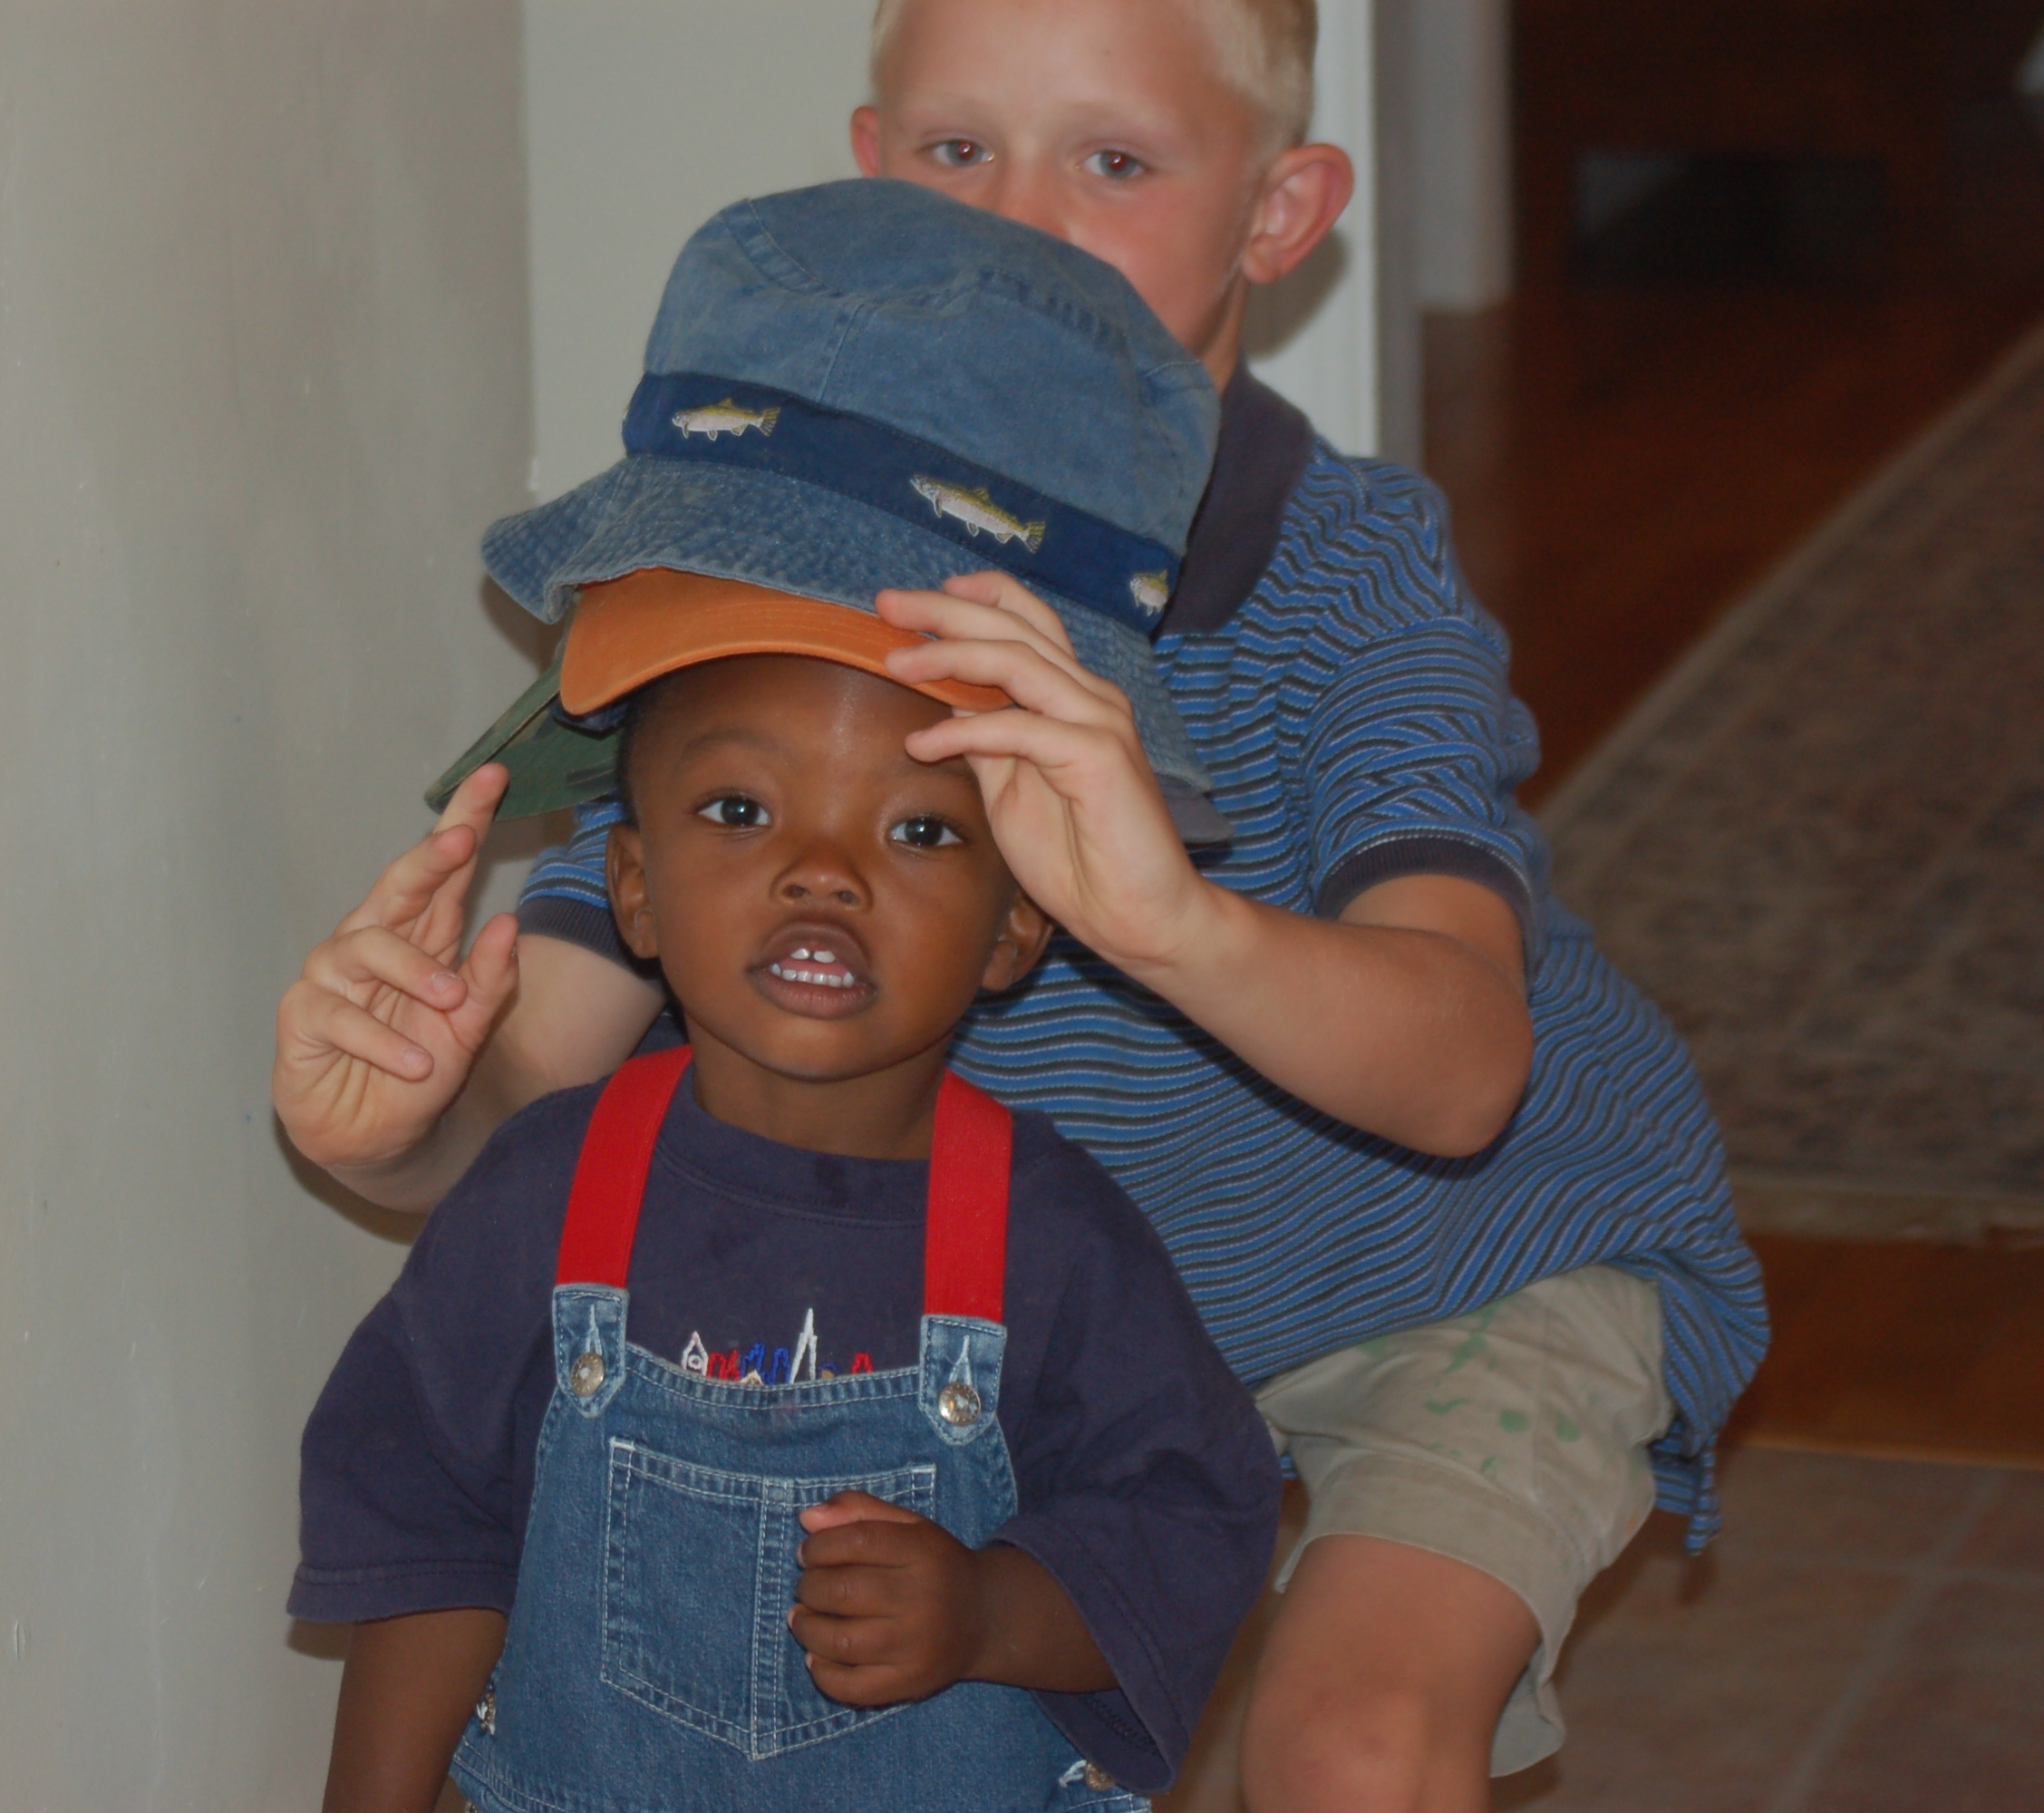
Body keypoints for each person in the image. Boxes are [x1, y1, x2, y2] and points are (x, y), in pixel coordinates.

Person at [279, 5, 1768, 1808]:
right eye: (958, 151)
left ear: (1282, 213)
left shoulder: (1346, 570)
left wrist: (1169, 922)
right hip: (1061, 1302)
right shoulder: (770, 538)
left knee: (1352, 1747)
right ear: (870, 162)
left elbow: (1464, 1077)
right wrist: (402, 1122)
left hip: (1450, 1264)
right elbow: (542, 1108)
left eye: (1114, 161)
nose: (1017, 225)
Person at [288, 188, 1277, 1813]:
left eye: (920, 832)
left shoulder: (1058, 1242)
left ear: (1021, 923)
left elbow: (1194, 1517)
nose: (823, 876)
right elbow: (427, 1526)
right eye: (740, 812)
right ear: (631, 888)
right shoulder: (540, 1200)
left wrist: (993, 1610)